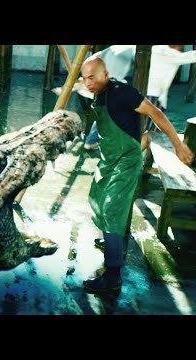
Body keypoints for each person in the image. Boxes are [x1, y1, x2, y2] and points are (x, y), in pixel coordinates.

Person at [80, 57, 194, 293]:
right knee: (97, 200)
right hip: (109, 159)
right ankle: (114, 242)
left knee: (112, 209)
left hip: (126, 161)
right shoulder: (98, 94)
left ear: (106, 74)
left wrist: (178, 145)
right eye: (84, 77)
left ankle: (113, 276)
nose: (87, 82)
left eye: (92, 77)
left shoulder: (122, 92)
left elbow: (156, 113)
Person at [83, 45, 196, 150]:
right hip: (152, 96)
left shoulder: (155, 50)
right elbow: (189, 57)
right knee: (146, 131)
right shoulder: (167, 53)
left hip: (146, 93)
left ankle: (94, 141)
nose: (181, 47)